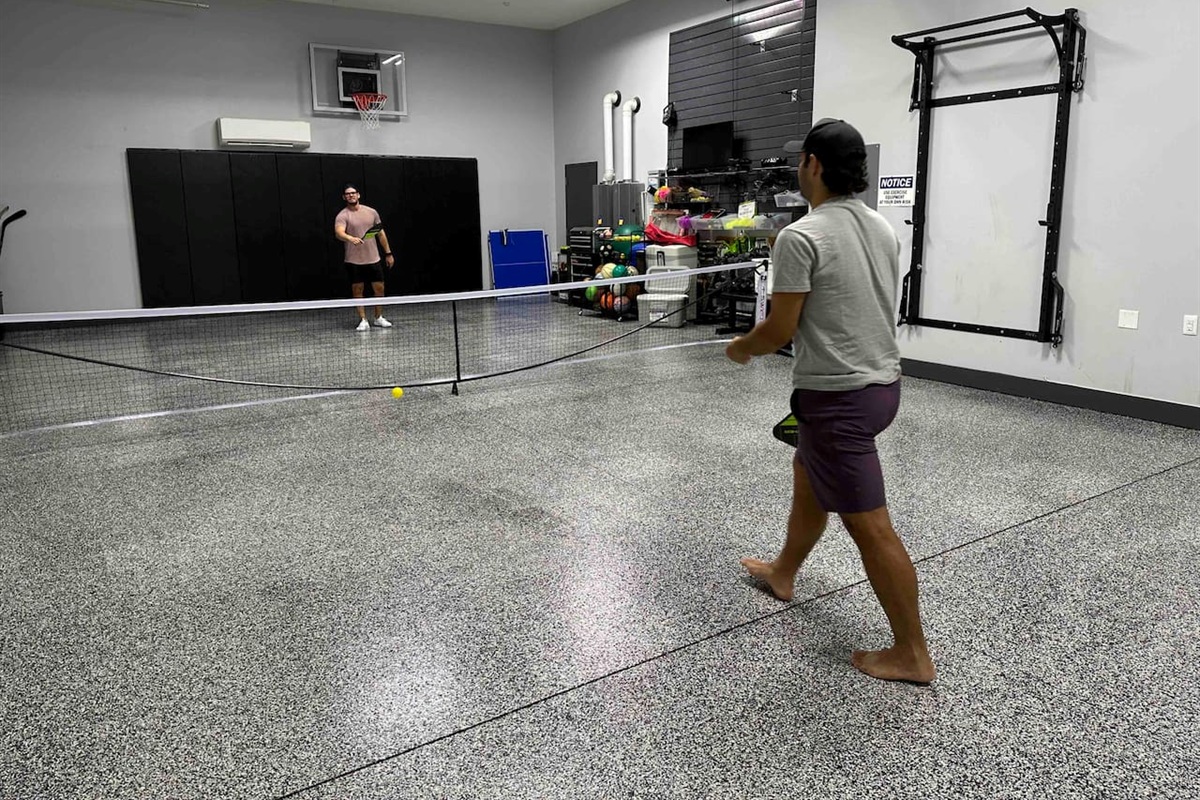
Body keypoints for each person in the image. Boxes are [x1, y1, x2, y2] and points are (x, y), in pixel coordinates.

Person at [725, 118, 936, 685]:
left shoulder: (802, 236)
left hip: (838, 399)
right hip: (881, 386)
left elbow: (779, 330)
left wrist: (741, 348)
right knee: (808, 475)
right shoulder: (881, 227)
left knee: (871, 528)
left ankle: (911, 652)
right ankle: (783, 571)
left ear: (813, 165)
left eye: (800, 161)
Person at [334, 184, 396, 331]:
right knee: (358, 290)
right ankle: (363, 320)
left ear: (358, 195)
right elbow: (339, 232)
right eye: (348, 194)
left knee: (379, 289)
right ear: (344, 197)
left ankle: (378, 317)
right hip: (353, 261)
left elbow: (380, 233)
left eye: (353, 193)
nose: (351, 195)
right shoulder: (342, 216)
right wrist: (350, 238)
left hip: (373, 259)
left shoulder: (371, 212)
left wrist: (388, 253)